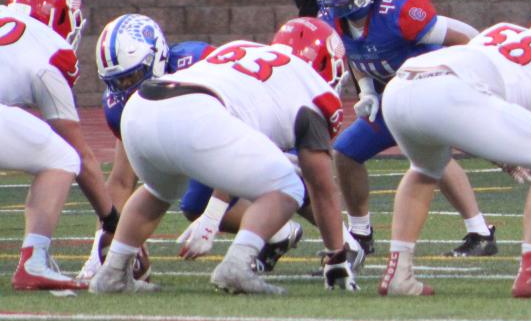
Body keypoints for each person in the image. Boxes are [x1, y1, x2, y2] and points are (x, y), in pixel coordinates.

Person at [90, 17, 353, 295]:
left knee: (157, 191)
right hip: (196, 111)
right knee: (288, 187)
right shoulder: (315, 89)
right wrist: (337, 256)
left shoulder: (244, 48)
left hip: (140, 107)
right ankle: (237, 266)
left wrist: (213, 213)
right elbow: (321, 186)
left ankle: (112, 273)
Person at [375, 19, 531, 299]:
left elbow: (488, 95)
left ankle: (399, 274)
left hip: (400, 87)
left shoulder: (500, 31)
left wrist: (505, 157)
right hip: (449, 92)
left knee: (425, 169)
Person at [312, 0, 492, 258]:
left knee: (429, 155)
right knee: (345, 153)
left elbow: (462, 35)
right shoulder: (333, 19)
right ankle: (361, 234)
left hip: (430, 92)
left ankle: (479, 232)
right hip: (391, 97)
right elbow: (357, 53)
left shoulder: (399, 11)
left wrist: (481, 71)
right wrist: (366, 90)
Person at [2, 0, 117, 291]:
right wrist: (112, 220)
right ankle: (34, 262)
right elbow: (80, 153)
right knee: (62, 157)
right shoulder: (52, 49)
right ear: (61, 13)